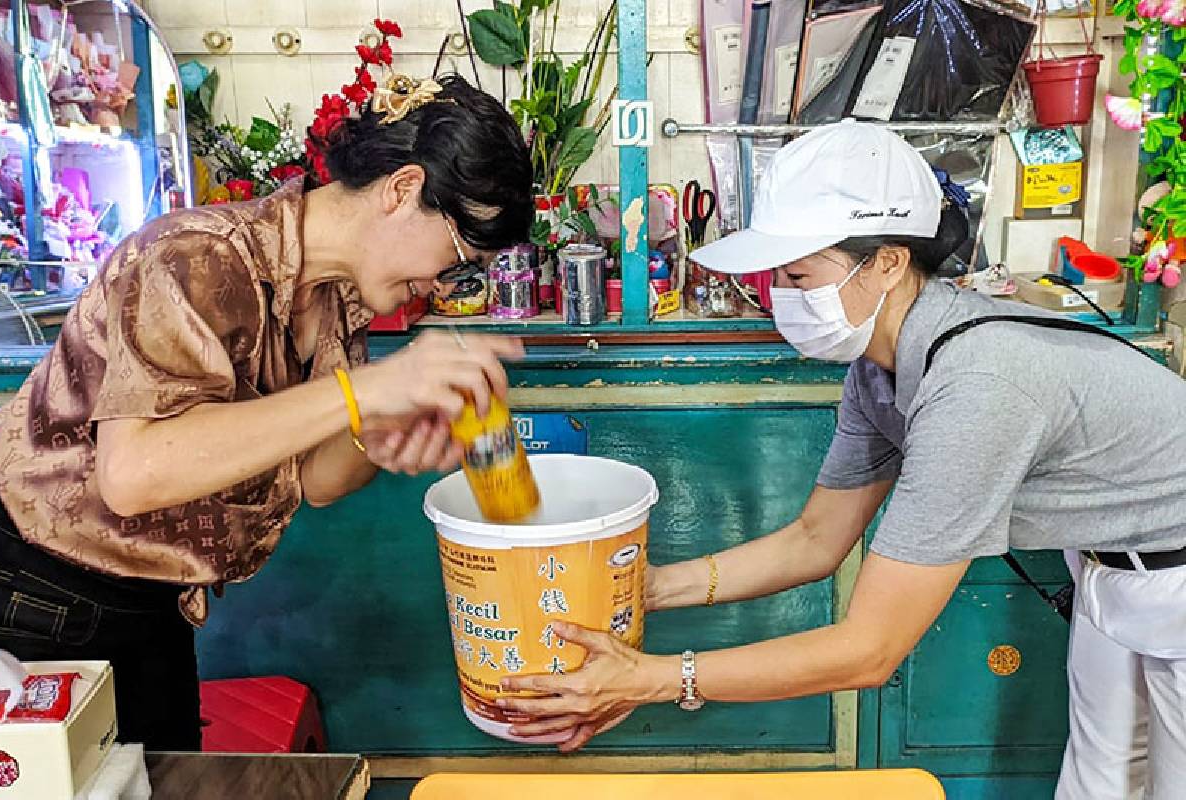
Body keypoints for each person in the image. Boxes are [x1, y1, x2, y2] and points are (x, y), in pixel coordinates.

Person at [499, 120, 1186, 799]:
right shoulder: (878, 367)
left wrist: (652, 677)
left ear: (888, 261)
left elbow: (870, 648)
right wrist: (644, 590)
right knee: (1102, 776)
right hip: (1109, 565)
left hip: (1178, 577)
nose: (781, 297)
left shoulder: (977, 385)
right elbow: (815, 540)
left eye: (799, 274)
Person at [0, 72, 532, 750]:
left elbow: (315, 480)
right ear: (403, 189)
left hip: (151, 598)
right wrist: (363, 395)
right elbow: (133, 475)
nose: (441, 283)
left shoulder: (336, 298)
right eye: (457, 258)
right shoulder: (196, 255)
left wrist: (378, 436)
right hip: (29, 590)